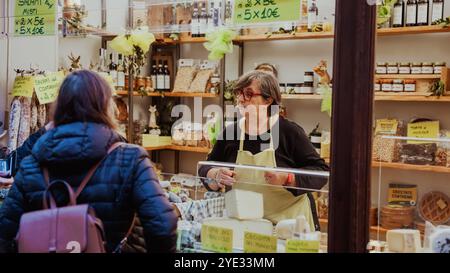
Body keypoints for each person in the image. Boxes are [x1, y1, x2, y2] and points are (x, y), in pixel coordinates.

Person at [0, 70, 177, 253]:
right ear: (106, 107)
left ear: (59, 108)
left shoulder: (32, 164)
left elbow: (5, 232)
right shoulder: (131, 158)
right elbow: (162, 225)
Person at [198, 71, 329, 231]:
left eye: (248, 94)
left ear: (268, 99)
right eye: (239, 94)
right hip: (246, 226)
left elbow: (321, 172)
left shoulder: (289, 132)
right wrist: (216, 175)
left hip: (289, 227)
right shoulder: (231, 132)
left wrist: (287, 178)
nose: (240, 100)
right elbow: (205, 167)